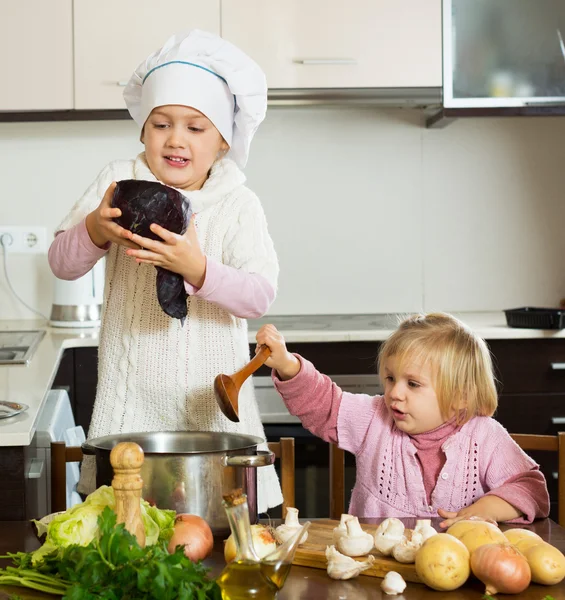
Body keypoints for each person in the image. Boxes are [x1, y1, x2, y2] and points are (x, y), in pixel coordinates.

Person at [48, 29, 282, 512]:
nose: (176, 139)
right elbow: (61, 263)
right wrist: (95, 228)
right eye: (161, 124)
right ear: (142, 130)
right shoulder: (117, 184)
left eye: (196, 128)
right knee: (126, 542)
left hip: (216, 416)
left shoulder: (238, 203)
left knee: (219, 542)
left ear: (222, 141)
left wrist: (197, 269)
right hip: (127, 407)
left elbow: (259, 295)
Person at [256, 313, 550, 525]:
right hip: (374, 570)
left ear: (461, 395)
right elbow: (325, 405)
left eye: (413, 384)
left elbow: (530, 488)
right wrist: (287, 365)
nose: (394, 393)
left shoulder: (485, 436)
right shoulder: (373, 419)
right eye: (390, 378)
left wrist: (487, 508)